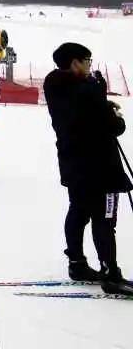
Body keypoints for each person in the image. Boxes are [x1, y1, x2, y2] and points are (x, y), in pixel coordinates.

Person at [44, 42, 132, 295]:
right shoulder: (86, 90)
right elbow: (113, 126)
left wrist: (100, 101)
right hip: (101, 166)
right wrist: (107, 106)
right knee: (105, 220)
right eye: (87, 61)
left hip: (74, 164)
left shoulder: (56, 87)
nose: (90, 66)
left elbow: (83, 118)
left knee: (79, 212)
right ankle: (111, 274)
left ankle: (77, 263)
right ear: (75, 63)